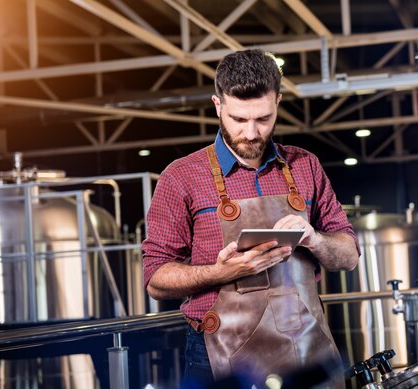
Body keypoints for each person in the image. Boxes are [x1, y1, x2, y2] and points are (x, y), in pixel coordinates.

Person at [142, 49, 360, 388]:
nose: (252, 132)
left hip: (304, 345)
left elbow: (348, 256)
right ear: (218, 106)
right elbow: (155, 278)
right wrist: (223, 272)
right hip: (218, 355)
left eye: (264, 118)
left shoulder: (305, 165)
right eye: (239, 119)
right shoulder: (181, 176)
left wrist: (314, 239)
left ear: (278, 102)